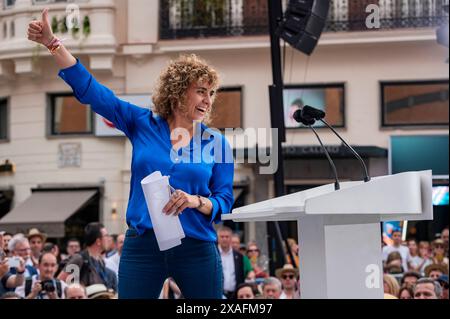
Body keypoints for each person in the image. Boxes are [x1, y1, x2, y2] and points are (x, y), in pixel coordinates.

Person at [27, 9, 234, 300]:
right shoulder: (142, 123)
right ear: (177, 92)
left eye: (211, 94)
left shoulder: (217, 143)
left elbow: (225, 202)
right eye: (201, 91)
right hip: (143, 246)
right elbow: (92, 92)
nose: (207, 100)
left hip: (196, 247)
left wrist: (194, 200)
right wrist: (53, 44)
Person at [58, 222, 117, 292]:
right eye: (106, 236)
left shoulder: (100, 262)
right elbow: (60, 282)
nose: (109, 239)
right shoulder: (79, 259)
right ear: (98, 241)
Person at [217, 226, 254, 299]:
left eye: (227, 237)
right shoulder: (213, 254)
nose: (224, 239)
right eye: (222, 237)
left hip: (236, 294)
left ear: (231, 238)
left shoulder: (239, 256)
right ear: (218, 238)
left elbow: (243, 274)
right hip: (219, 293)